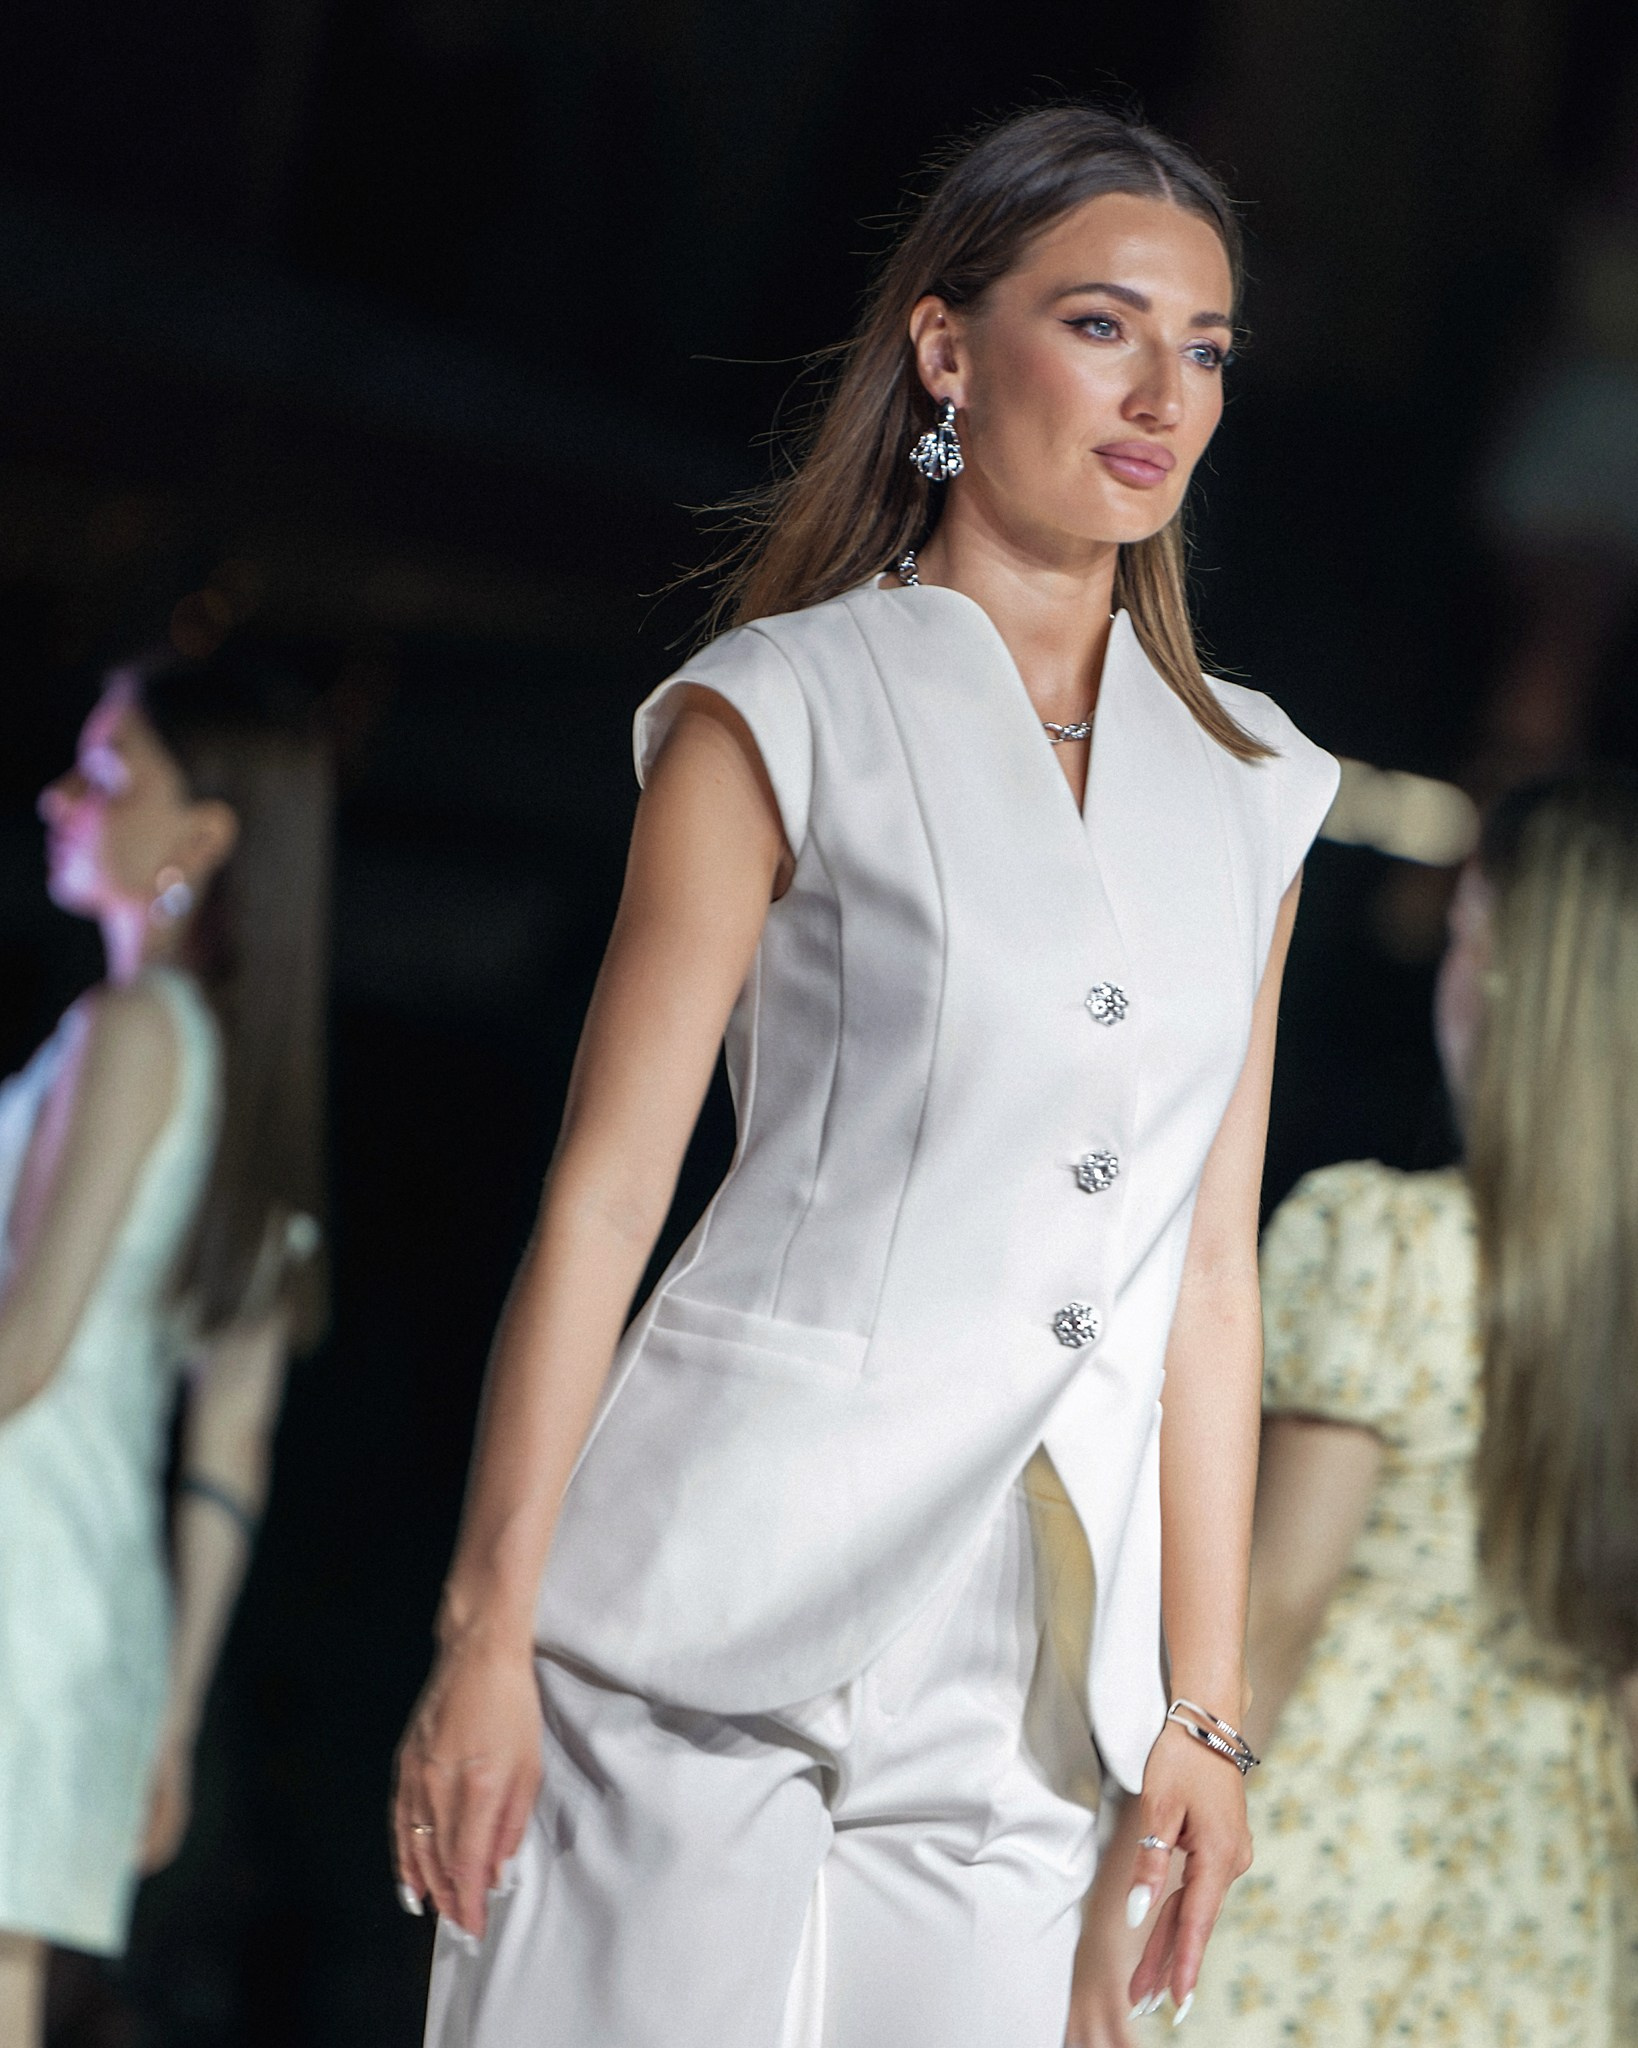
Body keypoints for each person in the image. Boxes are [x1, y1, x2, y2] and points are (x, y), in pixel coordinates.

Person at [393, 104, 1339, 2048]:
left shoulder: (1255, 784)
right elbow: (606, 1192)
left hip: (1032, 1661)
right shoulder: (785, 702)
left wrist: (1206, 1707)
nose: (1162, 393)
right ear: (945, 348)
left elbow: (1205, 1275)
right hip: (709, 1586)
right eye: (1101, 324)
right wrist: (487, 1627)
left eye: (1206, 347)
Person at [1123, 771, 1638, 2043]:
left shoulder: (1388, 1244)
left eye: (1464, 930)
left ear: (1506, 972)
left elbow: (1281, 1602)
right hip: (1556, 1905)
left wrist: (1125, 1901)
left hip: (1332, 1871)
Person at [0, 645, 331, 2048]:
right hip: (94, 1611)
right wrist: (172, 1712)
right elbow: (230, 1447)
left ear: (200, 836)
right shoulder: (251, 1093)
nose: (60, 798)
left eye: (104, 773)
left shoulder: (130, 1032)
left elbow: (21, 1353)